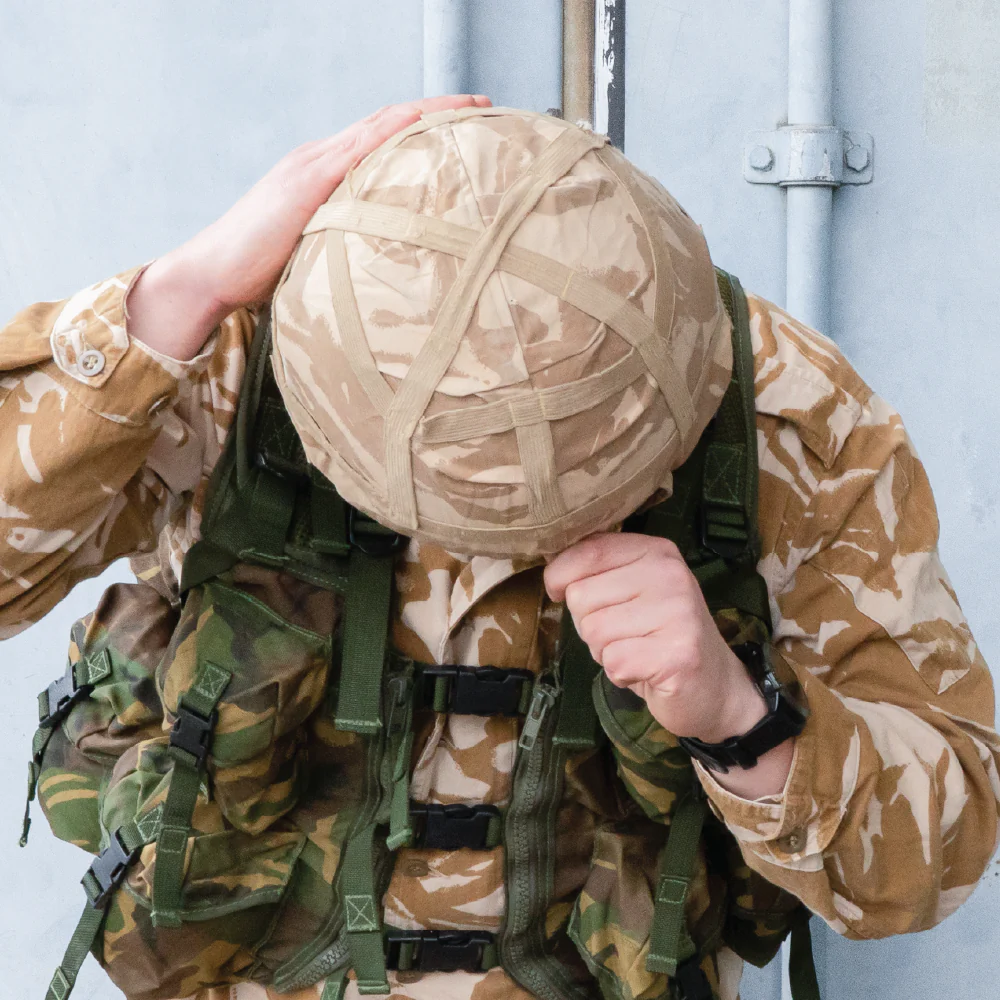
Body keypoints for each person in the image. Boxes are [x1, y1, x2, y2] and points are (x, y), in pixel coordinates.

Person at [2, 96, 997, 1000]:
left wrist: (740, 723)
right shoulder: (238, 350)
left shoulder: (781, 413)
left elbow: (935, 858)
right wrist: (164, 305)